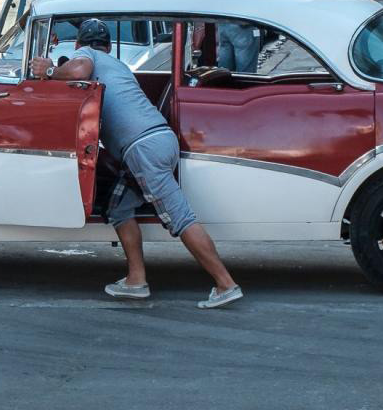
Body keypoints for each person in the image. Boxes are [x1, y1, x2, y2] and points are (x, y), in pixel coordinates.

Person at [30, 18, 242, 309]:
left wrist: (50, 70)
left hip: (143, 149)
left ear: (80, 45)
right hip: (156, 141)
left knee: (180, 218)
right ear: (108, 46)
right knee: (119, 208)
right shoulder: (118, 66)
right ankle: (136, 280)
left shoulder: (88, 57)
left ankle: (225, 284)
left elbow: (79, 69)